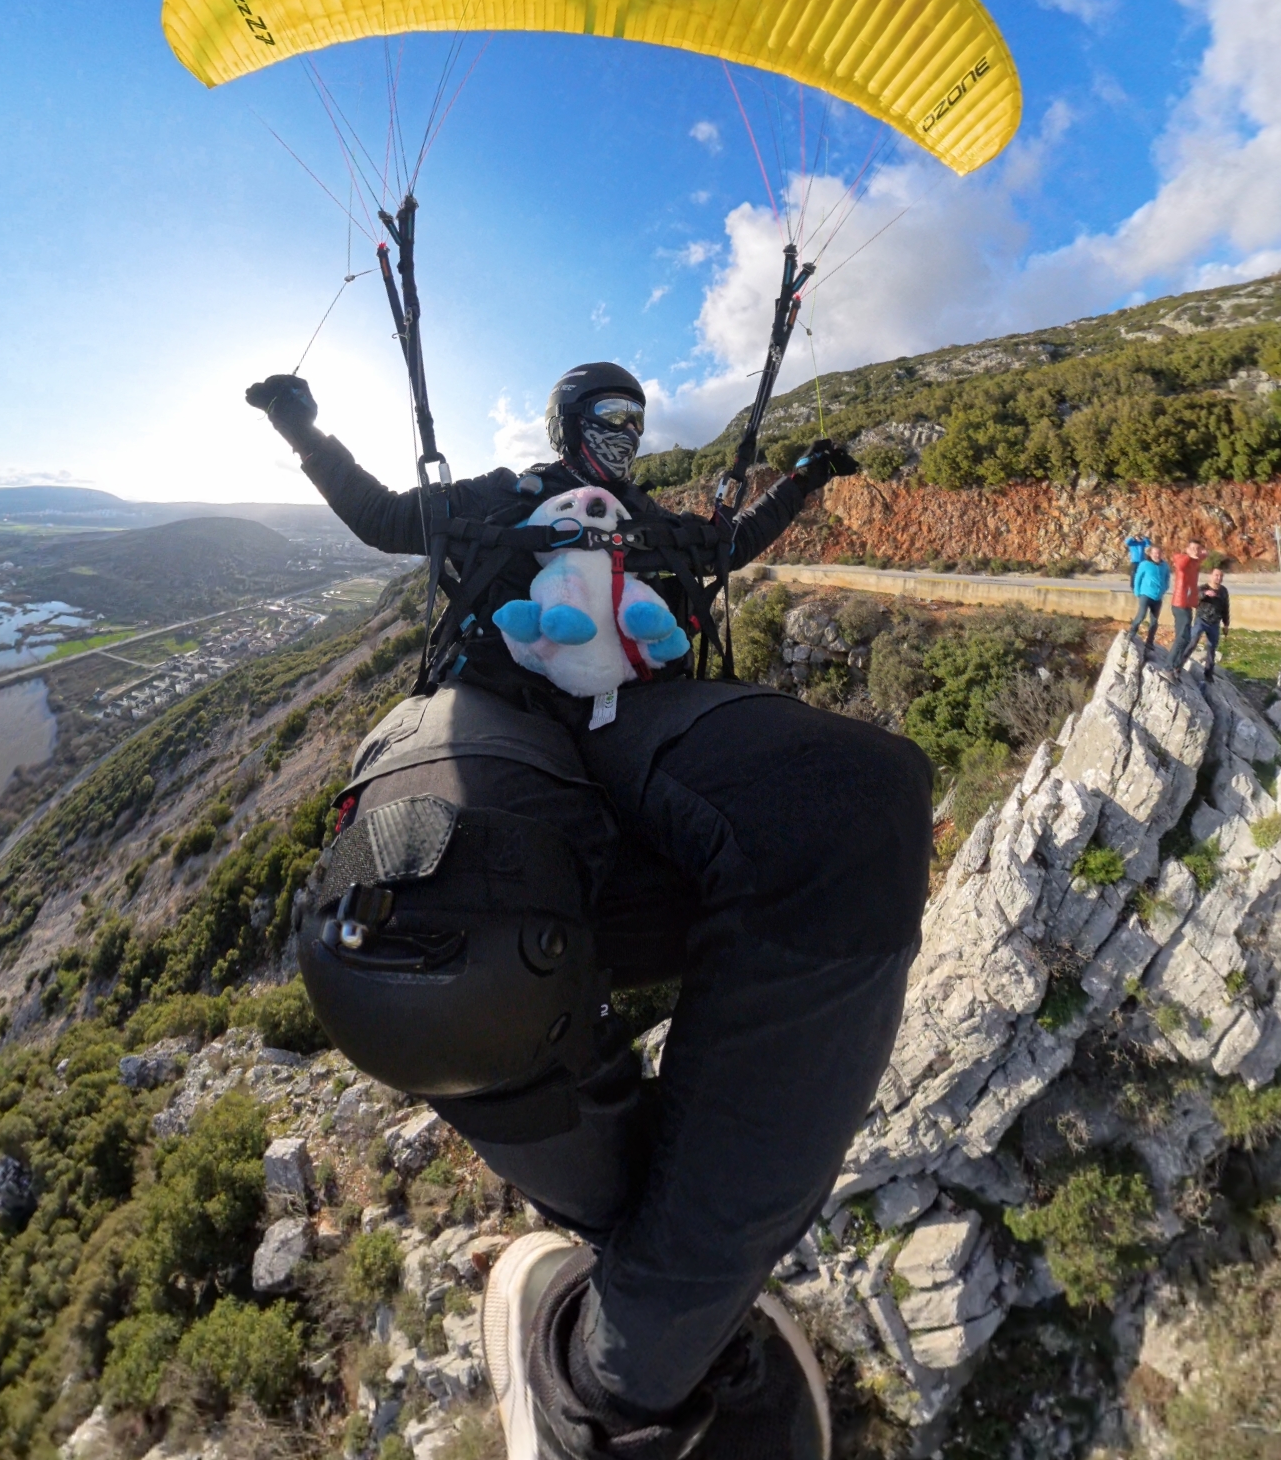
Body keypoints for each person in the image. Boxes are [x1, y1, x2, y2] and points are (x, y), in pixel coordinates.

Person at [247, 363, 933, 1459]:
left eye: (637, 424)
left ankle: (632, 1333)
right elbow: (384, 520)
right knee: (426, 931)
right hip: (496, 707)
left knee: (864, 804)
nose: (626, 439)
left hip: (634, 714)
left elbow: (729, 543)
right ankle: (660, 1324)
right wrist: (306, 436)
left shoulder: (647, 521)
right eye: (609, 422)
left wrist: (802, 479)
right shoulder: (497, 498)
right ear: (568, 426)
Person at [1171, 567, 1230, 681]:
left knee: (1212, 648)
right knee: (1192, 642)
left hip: (1215, 623)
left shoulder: (1223, 591)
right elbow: (1193, 599)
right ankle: (1178, 666)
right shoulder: (1202, 588)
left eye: (1221, 576)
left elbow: (1226, 607)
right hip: (1201, 620)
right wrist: (1205, 594)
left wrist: (1226, 623)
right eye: (1216, 575)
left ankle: (1208, 674)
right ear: (1211, 576)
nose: (1218, 578)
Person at [1167, 539, 1206, 670]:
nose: (1195, 551)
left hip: (1187, 604)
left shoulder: (1195, 562)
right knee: (1182, 638)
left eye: (1197, 548)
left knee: (1185, 637)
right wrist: (1191, 555)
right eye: (1193, 548)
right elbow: (1181, 565)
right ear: (1187, 549)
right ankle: (1169, 666)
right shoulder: (1181, 558)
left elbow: (1205, 554)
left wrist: (1200, 553)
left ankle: (1176, 666)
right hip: (1180, 603)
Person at [1130, 544, 1170, 656]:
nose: (1157, 555)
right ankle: (1132, 632)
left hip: (1158, 597)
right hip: (1145, 594)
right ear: (1150, 554)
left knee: (1154, 621)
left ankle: (1150, 642)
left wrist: (1164, 588)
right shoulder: (1144, 564)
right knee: (1141, 615)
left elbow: (1167, 578)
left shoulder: (1165, 565)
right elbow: (1138, 578)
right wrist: (1137, 591)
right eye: (1155, 553)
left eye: (1159, 553)